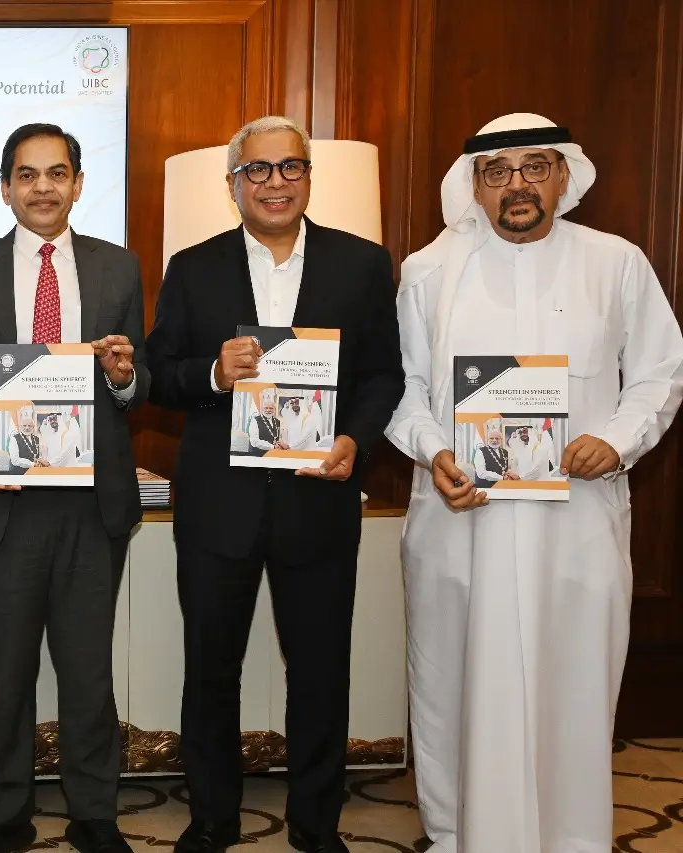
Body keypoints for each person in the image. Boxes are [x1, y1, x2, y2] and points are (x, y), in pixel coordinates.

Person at [385, 113, 683, 853]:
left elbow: (659, 373)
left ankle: (571, 839)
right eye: (497, 171)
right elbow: (402, 387)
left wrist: (615, 441)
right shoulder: (429, 272)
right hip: (464, 519)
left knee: (574, 681)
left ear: (563, 175)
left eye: (534, 166)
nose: (516, 184)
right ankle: (459, 835)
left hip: (575, 521)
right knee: (456, 682)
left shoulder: (615, 262)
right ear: (474, 185)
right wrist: (433, 451)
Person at [145, 115, 404, 853]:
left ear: (309, 176)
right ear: (233, 185)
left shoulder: (362, 264)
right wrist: (212, 373)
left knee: (320, 672)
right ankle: (213, 818)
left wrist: (356, 438)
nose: (275, 182)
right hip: (218, 504)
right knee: (211, 671)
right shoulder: (193, 267)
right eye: (256, 170)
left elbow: (384, 375)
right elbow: (159, 373)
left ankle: (316, 826)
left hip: (319, 497)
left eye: (290, 166)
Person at [0, 123, 147, 853]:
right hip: (1, 499)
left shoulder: (118, 267)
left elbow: (135, 382)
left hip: (91, 501)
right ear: (5, 188)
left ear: (78, 183)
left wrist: (123, 377)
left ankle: (94, 812)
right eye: (27, 174)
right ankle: (2, 813)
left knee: (88, 669)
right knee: (7, 669)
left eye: (56, 173)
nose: (42, 187)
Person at [470, 418, 512, 488]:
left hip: (502, 487)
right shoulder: (480, 451)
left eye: (497, 438)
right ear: (487, 439)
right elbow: (481, 473)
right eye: (491, 438)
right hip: (486, 488)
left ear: (501, 439)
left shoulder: (505, 452)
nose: (494, 440)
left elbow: (506, 469)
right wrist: (501, 478)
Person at [6, 403, 44, 474]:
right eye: (24, 425)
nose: (27, 428)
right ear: (20, 426)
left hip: (34, 474)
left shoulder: (37, 439)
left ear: (33, 427)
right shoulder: (14, 439)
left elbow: (38, 455)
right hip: (19, 474)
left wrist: (39, 461)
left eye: (29, 426)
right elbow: (15, 460)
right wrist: (32, 464)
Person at [246, 388, 283, 453]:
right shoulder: (255, 420)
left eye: (271, 408)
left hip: (272, 453)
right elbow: (254, 441)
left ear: (274, 409)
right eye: (266, 408)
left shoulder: (277, 421)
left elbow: (278, 437)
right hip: (257, 453)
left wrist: (279, 444)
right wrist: (272, 447)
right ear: (263, 409)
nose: (268, 410)